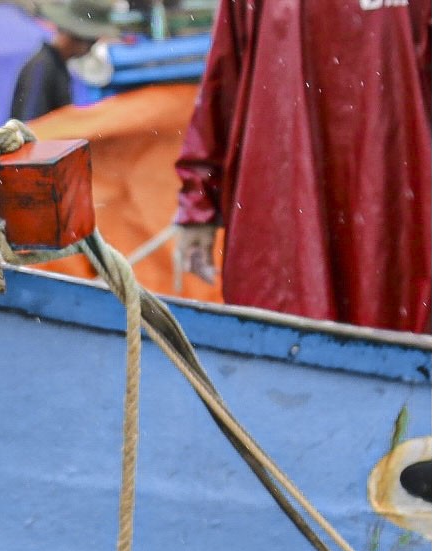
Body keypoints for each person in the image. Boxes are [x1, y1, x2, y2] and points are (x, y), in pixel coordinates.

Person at [175, 0, 431, 332]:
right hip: (318, 217)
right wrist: (199, 204)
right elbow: (225, 77)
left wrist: (199, 202)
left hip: (376, 219)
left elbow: (223, 79)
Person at [9, 0, 117, 121]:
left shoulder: (56, 65)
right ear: (78, 37)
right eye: (92, 41)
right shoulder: (42, 68)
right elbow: (30, 125)